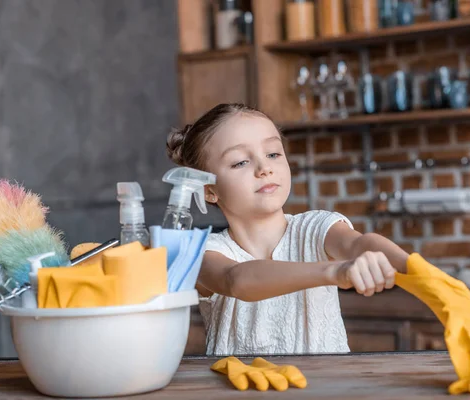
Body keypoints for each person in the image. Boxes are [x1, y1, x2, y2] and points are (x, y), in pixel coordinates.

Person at [166, 103, 409, 356]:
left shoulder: (315, 228)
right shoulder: (205, 253)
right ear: (209, 190)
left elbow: (358, 244)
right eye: (240, 162)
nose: (264, 168)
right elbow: (236, 279)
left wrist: (415, 268)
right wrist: (336, 271)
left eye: (273, 154)